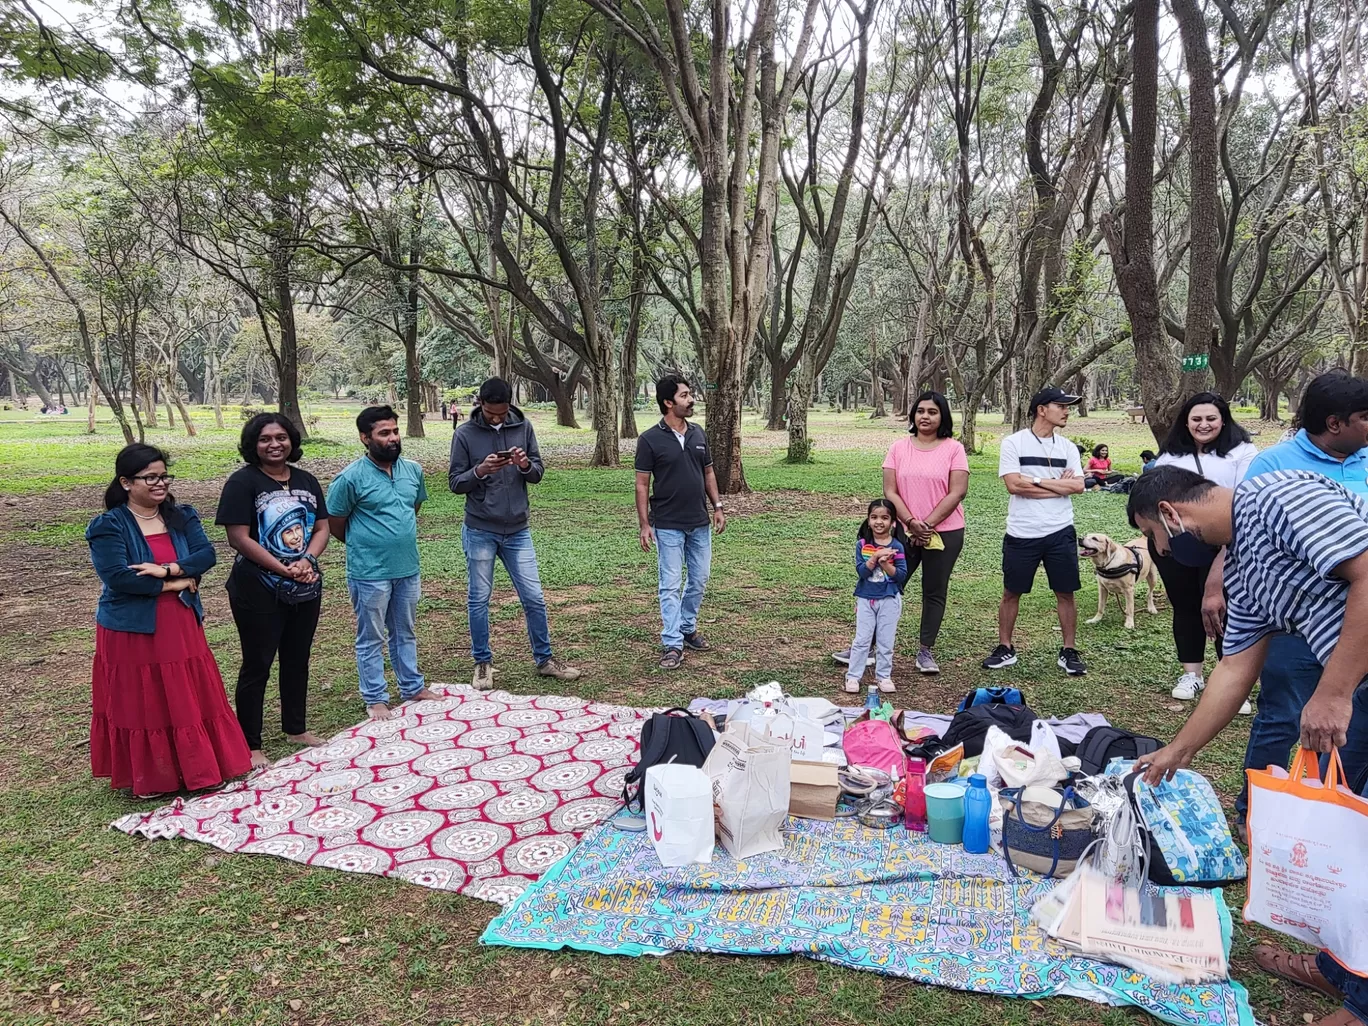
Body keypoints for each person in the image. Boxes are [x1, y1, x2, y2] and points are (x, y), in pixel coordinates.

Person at [1129, 463, 1368, 1026]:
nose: (1158, 550)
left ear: (1171, 514)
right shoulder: (1243, 566)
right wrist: (1178, 751)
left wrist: (1332, 692)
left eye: (1153, 537)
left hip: (1353, 686)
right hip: (1361, 687)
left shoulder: (1278, 496)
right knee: (1352, 832)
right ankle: (1342, 969)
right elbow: (1235, 668)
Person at [1230, 372, 1368, 822]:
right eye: (1365, 418)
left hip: (1356, 618)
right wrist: (1219, 585)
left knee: (1348, 723)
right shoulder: (1276, 466)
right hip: (1299, 616)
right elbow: (1238, 531)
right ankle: (1258, 810)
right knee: (1285, 711)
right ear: (1334, 423)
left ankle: (1326, 817)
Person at [86, 444, 251, 797]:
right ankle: (154, 778)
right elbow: (119, 577)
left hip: (180, 620)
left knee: (185, 694)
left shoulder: (182, 515)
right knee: (145, 700)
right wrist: (175, 582)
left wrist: (167, 570)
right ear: (126, 482)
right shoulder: (108, 526)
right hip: (132, 628)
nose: (160, 484)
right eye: (150, 478)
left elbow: (205, 555)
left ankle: (200, 767)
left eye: (164, 476)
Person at [449, 377, 581, 689]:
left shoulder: (523, 427)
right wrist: (480, 471)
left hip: (518, 529)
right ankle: (482, 663)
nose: (498, 418)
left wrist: (523, 465)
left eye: (503, 412)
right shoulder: (465, 434)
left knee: (534, 597)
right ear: (480, 404)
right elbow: (455, 482)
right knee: (479, 598)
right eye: (492, 414)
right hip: (480, 528)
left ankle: (545, 659)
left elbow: (537, 472)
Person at [216, 413, 330, 770]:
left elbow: (322, 526)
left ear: (292, 441)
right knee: (258, 663)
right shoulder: (242, 482)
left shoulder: (307, 480)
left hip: (304, 585)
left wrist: (307, 561)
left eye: (281, 437)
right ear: (254, 444)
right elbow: (238, 536)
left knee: (297, 659)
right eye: (265, 439)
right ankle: (251, 743)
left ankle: (296, 728)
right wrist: (283, 568)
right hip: (257, 588)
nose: (274, 444)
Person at [327, 405, 440, 720]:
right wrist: (366, 543)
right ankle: (376, 698)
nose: (393, 438)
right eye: (384, 433)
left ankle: (413, 687)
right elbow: (335, 522)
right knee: (372, 635)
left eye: (395, 431)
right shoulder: (349, 478)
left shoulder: (413, 471)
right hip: (368, 572)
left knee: (405, 630)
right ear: (365, 438)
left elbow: (413, 507)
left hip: (407, 568)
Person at [1151, 392, 1258, 704]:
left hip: (1227, 544)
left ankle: (1232, 683)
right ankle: (1192, 674)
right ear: (1186, 422)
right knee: (1185, 606)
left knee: (1225, 608)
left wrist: (1227, 543)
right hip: (1178, 542)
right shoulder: (1171, 455)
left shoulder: (1242, 451)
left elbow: (1246, 499)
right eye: (1196, 418)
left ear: (1223, 420)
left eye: (1211, 418)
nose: (1203, 424)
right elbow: (1158, 497)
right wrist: (1163, 536)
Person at [982, 386, 1087, 676]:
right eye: (1061, 406)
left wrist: (1037, 481)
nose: (1067, 411)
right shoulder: (1014, 443)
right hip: (1022, 532)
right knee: (1011, 592)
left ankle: (1069, 651)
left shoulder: (1067, 448)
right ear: (1042, 409)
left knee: (1065, 592)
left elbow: (1078, 486)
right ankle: (1005, 647)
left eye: (1068, 406)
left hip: (1060, 531)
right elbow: (1014, 485)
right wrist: (1057, 485)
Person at [635, 375, 726, 670]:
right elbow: (642, 485)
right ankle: (672, 642)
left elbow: (709, 473)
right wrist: (644, 524)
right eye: (685, 395)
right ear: (668, 402)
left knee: (699, 579)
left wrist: (718, 506)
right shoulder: (649, 439)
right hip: (667, 524)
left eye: (690, 394)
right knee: (670, 585)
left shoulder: (699, 433)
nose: (691, 399)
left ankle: (687, 627)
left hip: (699, 521)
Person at [881, 390, 969, 674]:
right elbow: (889, 491)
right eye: (920, 411)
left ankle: (925, 651)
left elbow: (957, 491)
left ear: (942, 416)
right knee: (885, 586)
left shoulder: (953, 449)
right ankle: (867, 645)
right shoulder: (898, 448)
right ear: (913, 415)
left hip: (946, 532)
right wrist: (909, 522)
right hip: (903, 531)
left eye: (932, 412)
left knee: (934, 590)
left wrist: (926, 525)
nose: (925, 417)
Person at [843, 500, 910, 695]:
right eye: (874, 517)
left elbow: (900, 575)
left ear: (893, 523)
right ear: (868, 520)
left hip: (889, 599)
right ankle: (853, 676)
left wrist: (886, 563)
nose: (878, 522)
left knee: (885, 640)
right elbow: (862, 573)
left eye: (884, 517)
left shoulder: (897, 546)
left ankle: (884, 676)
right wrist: (874, 559)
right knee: (862, 640)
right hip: (865, 598)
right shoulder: (862, 545)